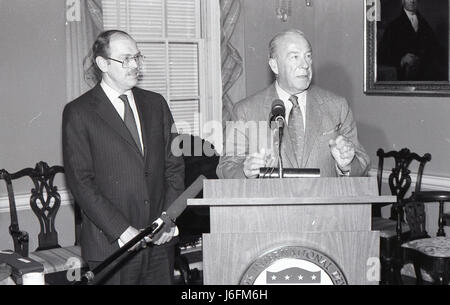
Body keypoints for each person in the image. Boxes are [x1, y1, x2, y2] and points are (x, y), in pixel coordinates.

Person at [62, 30, 185, 284]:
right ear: (102, 64)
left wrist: (168, 218)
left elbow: (174, 166)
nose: (135, 65)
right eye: (126, 59)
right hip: (111, 245)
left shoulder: (156, 104)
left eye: (137, 57)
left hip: (159, 244)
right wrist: (121, 229)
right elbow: (81, 182)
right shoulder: (79, 112)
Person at [217, 29, 370, 179]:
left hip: (323, 203)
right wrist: (246, 171)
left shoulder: (338, 106)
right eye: (294, 57)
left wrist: (346, 165)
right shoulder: (246, 111)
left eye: (308, 56)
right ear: (274, 66)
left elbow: (362, 162)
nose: (305, 64)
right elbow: (226, 167)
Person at [377, 0, 447, 81]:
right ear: (402, 1)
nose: (412, 1)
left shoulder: (425, 24)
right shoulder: (393, 26)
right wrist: (401, 59)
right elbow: (382, 54)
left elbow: (435, 47)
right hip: (404, 75)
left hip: (426, 72)